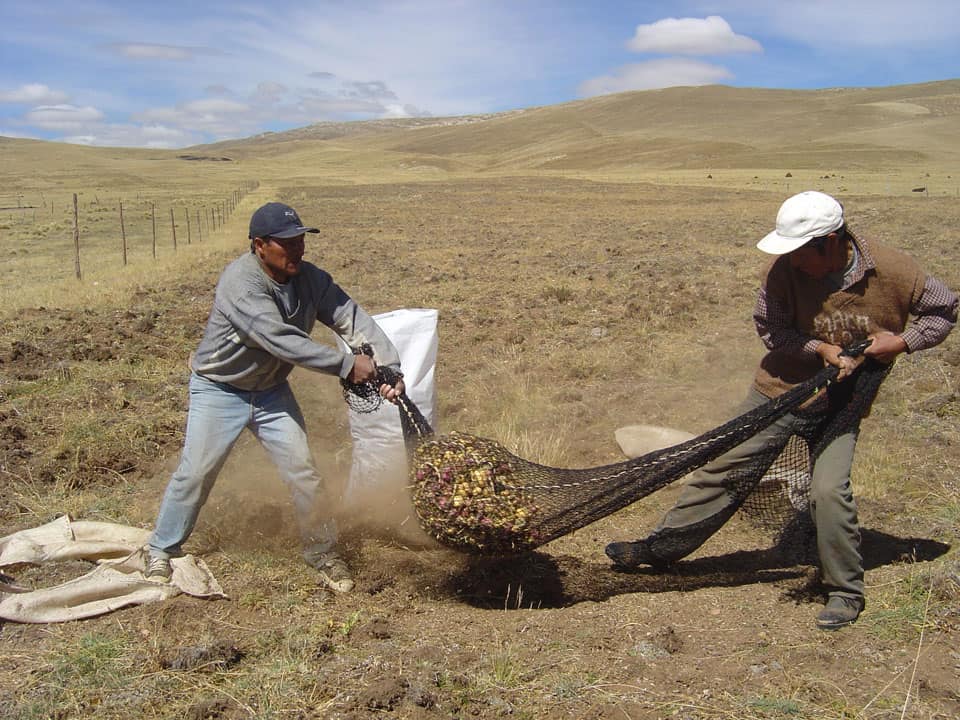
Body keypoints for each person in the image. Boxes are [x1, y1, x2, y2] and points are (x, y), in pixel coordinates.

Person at [606, 190, 957, 630]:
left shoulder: (895, 270)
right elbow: (771, 329)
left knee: (829, 492)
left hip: (842, 405)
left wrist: (901, 342)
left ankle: (845, 591)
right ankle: (659, 549)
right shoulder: (781, 272)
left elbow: (943, 311)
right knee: (725, 469)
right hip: (778, 390)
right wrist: (820, 348)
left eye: (799, 251)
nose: (790, 260)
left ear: (830, 241)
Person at [146, 201, 405, 593]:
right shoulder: (240, 283)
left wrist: (388, 367)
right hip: (220, 389)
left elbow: (351, 317)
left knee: (304, 472)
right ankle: (161, 549)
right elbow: (280, 340)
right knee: (196, 472)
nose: (297, 249)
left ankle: (322, 552)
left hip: (270, 393)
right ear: (259, 245)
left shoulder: (310, 279)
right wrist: (346, 365)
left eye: (300, 240)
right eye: (287, 243)